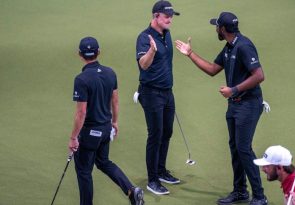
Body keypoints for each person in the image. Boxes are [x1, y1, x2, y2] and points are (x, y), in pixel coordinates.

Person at [175, 12, 267, 205]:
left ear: (223, 29)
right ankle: (240, 191)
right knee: (235, 148)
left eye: (217, 26)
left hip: (248, 105)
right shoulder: (228, 47)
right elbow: (212, 69)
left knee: (243, 148)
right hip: (235, 105)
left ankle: (259, 196)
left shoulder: (244, 46)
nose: (215, 29)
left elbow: (259, 75)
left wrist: (233, 90)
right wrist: (190, 54)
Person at [68, 36, 144, 205]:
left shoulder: (81, 80)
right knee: (103, 162)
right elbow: (115, 101)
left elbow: (81, 113)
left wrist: (73, 138)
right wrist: (115, 123)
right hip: (105, 130)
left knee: (83, 171)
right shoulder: (110, 73)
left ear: (80, 55)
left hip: (89, 133)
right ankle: (131, 190)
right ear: (98, 52)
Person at [135, 0, 181, 195]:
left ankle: (161, 171)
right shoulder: (144, 38)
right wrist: (152, 51)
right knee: (155, 134)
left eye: (171, 16)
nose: (170, 19)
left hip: (167, 93)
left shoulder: (166, 35)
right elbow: (143, 65)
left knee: (167, 132)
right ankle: (152, 180)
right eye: (166, 16)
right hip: (151, 93)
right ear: (155, 16)